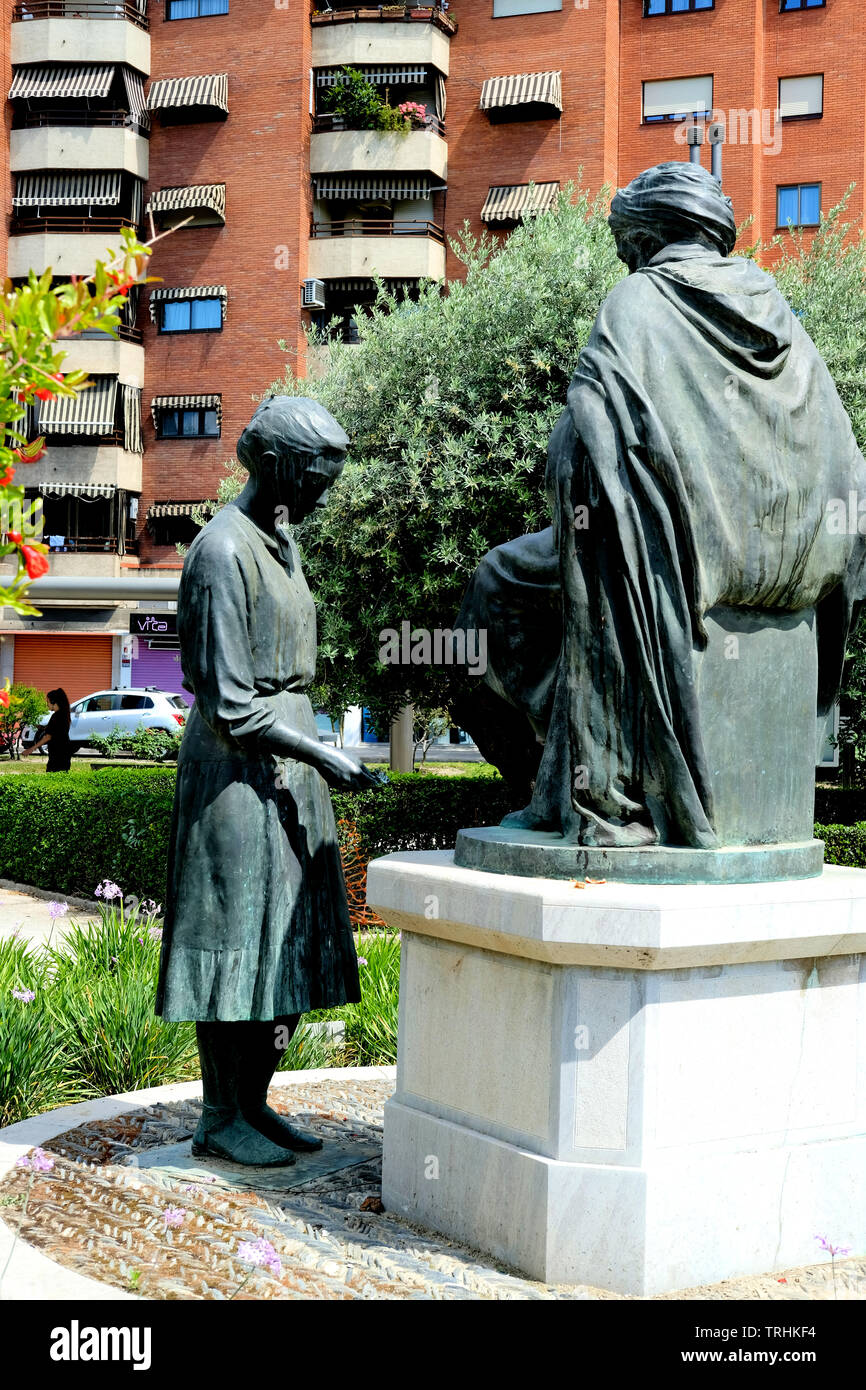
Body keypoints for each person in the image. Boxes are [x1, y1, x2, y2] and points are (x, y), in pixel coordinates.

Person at [458, 161, 866, 849]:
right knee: (578, 577)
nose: (627, 261)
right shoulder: (780, 316)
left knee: (497, 586)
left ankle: (576, 784)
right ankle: (564, 773)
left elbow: (593, 440)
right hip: (771, 553)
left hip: (660, 548)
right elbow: (842, 459)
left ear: (647, 237)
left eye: (628, 247)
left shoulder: (639, 302)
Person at [155, 395, 383, 1168]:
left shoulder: (281, 542)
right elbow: (228, 701)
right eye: (320, 475)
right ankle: (220, 1116)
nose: (327, 492)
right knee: (232, 947)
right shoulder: (222, 551)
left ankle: (252, 1103)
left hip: (288, 768)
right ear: (281, 464)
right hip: (236, 776)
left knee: (282, 952)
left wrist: (313, 756)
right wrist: (322, 753)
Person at [22, 687, 73, 771]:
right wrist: (37, 726)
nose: (47, 704)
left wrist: (31, 749)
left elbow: (48, 737)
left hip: (58, 752)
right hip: (64, 751)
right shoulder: (63, 714)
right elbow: (51, 729)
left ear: (53, 702)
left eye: (48, 702)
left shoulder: (56, 716)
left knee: (53, 773)